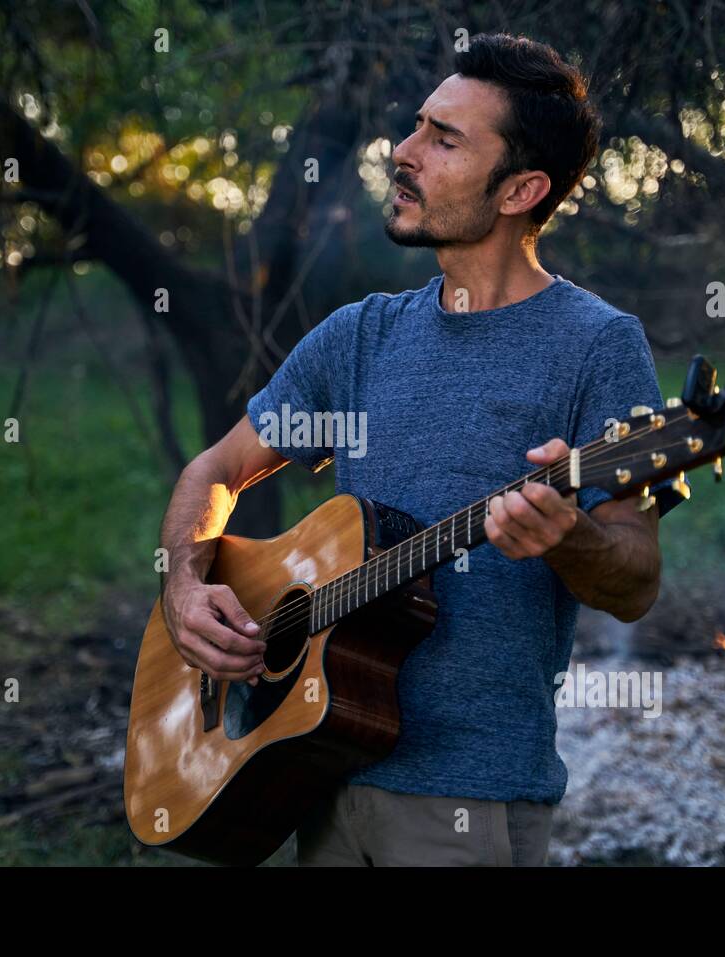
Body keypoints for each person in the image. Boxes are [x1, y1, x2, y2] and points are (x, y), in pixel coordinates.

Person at [155, 32, 680, 866]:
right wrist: (185, 577)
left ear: (523, 189)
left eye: (444, 139)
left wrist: (568, 537)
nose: (402, 152)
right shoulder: (362, 335)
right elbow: (215, 470)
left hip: (467, 800)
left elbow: (637, 580)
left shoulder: (597, 347)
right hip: (315, 771)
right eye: (416, 127)